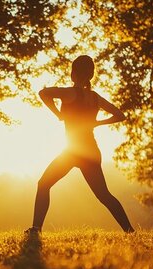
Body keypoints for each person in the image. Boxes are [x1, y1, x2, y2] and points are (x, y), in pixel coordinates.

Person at [26, 55, 135, 234]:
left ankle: (36, 229)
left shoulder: (69, 93)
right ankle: (129, 231)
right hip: (91, 150)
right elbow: (120, 115)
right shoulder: (94, 97)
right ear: (90, 75)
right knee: (104, 195)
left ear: (73, 73)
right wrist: (98, 123)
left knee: (43, 184)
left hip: (73, 151)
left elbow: (43, 93)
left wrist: (56, 113)